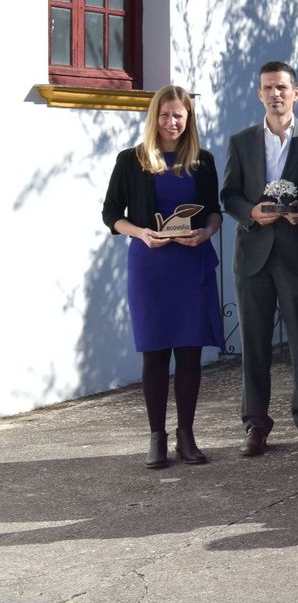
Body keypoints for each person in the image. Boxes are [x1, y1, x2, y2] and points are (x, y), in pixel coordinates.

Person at [102, 85, 224, 469]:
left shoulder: (202, 160)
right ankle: (157, 437)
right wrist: (141, 233)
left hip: (191, 264)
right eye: (166, 115)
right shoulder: (131, 160)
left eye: (180, 116)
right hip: (150, 265)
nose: (172, 122)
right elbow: (111, 215)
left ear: (189, 120)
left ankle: (187, 435)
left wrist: (205, 233)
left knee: (189, 352)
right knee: (155, 353)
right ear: (154, 117)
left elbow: (214, 212)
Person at [221, 61, 298, 458]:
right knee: (255, 344)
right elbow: (228, 194)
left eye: (282, 87)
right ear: (259, 94)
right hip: (253, 257)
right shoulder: (241, 141)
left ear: (296, 93)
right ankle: (256, 426)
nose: (275, 94)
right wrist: (251, 212)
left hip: (297, 253)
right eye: (268, 88)